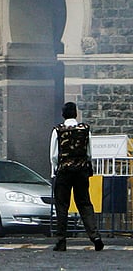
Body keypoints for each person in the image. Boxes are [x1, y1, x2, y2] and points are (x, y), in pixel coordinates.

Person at [50, 102, 104, 252]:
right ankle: (95, 236)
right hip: (81, 170)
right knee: (85, 203)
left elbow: (54, 155)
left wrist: (54, 171)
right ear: (76, 114)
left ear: (63, 114)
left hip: (64, 170)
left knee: (62, 205)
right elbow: (89, 153)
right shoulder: (85, 129)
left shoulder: (58, 130)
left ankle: (61, 240)